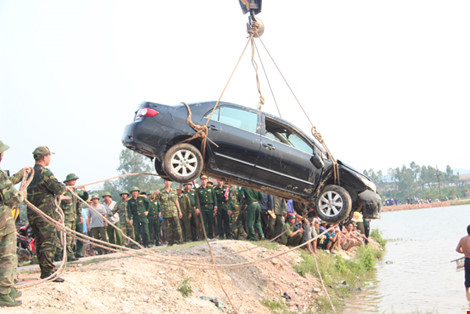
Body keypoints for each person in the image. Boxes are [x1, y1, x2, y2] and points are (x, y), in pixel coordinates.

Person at [27, 146, 66, 282]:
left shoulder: (30, 173)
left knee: (40, 243)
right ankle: (48, 273)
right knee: (48, 243)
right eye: (49, 156)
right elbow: (58, 188)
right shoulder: (45, 172)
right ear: (44, 157)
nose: (49, 159)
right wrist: (64, 188)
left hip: (33, 214)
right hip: (45, 214)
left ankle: (45, 271)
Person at [0, 140, 27, 306]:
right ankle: (4, 293)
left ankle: (8, 288)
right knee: (8, 255)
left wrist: (18, 175)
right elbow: (12, 197)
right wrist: (21, 195)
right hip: (3, 220)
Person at [59, 173, 87, 262]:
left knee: (72, 237)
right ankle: (67, 255)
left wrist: (85, 192)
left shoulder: (75, 191)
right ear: (67, 182)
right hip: (65, 217)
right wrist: (58, 217)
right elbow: (57, 205)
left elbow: (81, 202)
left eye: (75, 180)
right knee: (67, 237)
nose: (74, 182)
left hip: (73, 217)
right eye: (73, 180)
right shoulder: (63, 191)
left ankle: (71, 254)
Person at [155, 180, 183, 245]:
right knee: (168, 228)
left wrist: (179, 211)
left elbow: (176, 201)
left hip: (174, 212)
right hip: (165, 212)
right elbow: (154, 199)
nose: (167, 183)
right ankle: (170, 242)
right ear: (164, 182)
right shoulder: (161, 191)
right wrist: (155, 193)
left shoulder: (174, 191)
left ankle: (180, 241)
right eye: (166, 181)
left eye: (169, 181)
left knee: (177, 227)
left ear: (171, 182)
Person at [456, 225, 470, 300]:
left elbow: (458, 249)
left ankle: (467, 293)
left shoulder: (463, 239)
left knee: (467, 277)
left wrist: (464, 252)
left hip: (467, 260)